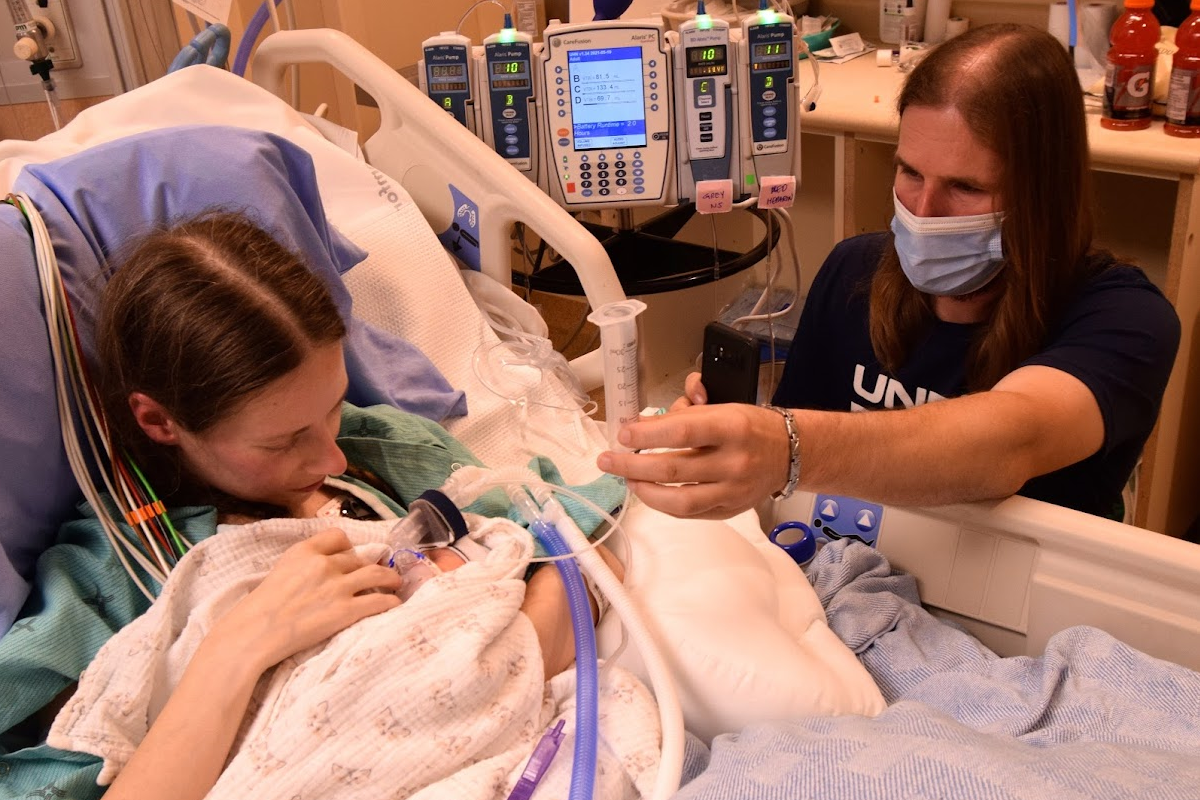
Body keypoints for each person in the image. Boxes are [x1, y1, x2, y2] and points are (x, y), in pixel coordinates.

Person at [89, 211, 618, 800]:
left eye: (334, 406)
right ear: (160, 421)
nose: (333, 458)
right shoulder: (113, 571)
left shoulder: (385, 447)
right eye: (284, 440)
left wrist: (475, 666)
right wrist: (238, 647)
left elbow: (583, 555)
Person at [598, 23, 1180, 522]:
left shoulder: (1128, 320)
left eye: (966, 188)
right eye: (909, 172)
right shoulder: (855, 270)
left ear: (1044, 196)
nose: (922, 213)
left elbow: (1009, 443)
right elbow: (800, 449)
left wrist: (783, 447)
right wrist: (731, 443)